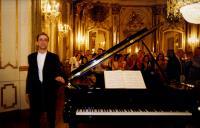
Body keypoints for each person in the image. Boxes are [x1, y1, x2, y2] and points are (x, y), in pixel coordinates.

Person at [26, 32, 65, 128]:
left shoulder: (54, 57)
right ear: (37, 42)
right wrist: (27, 91)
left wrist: (59, 77)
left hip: (50, 90)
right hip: (35, 90)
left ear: (48, 42)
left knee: (51, 115)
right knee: (34, 115)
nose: (43, 42)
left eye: (45, 40)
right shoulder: (31, 57)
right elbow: (30, 75)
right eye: (41, 39)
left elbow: (58, 71)